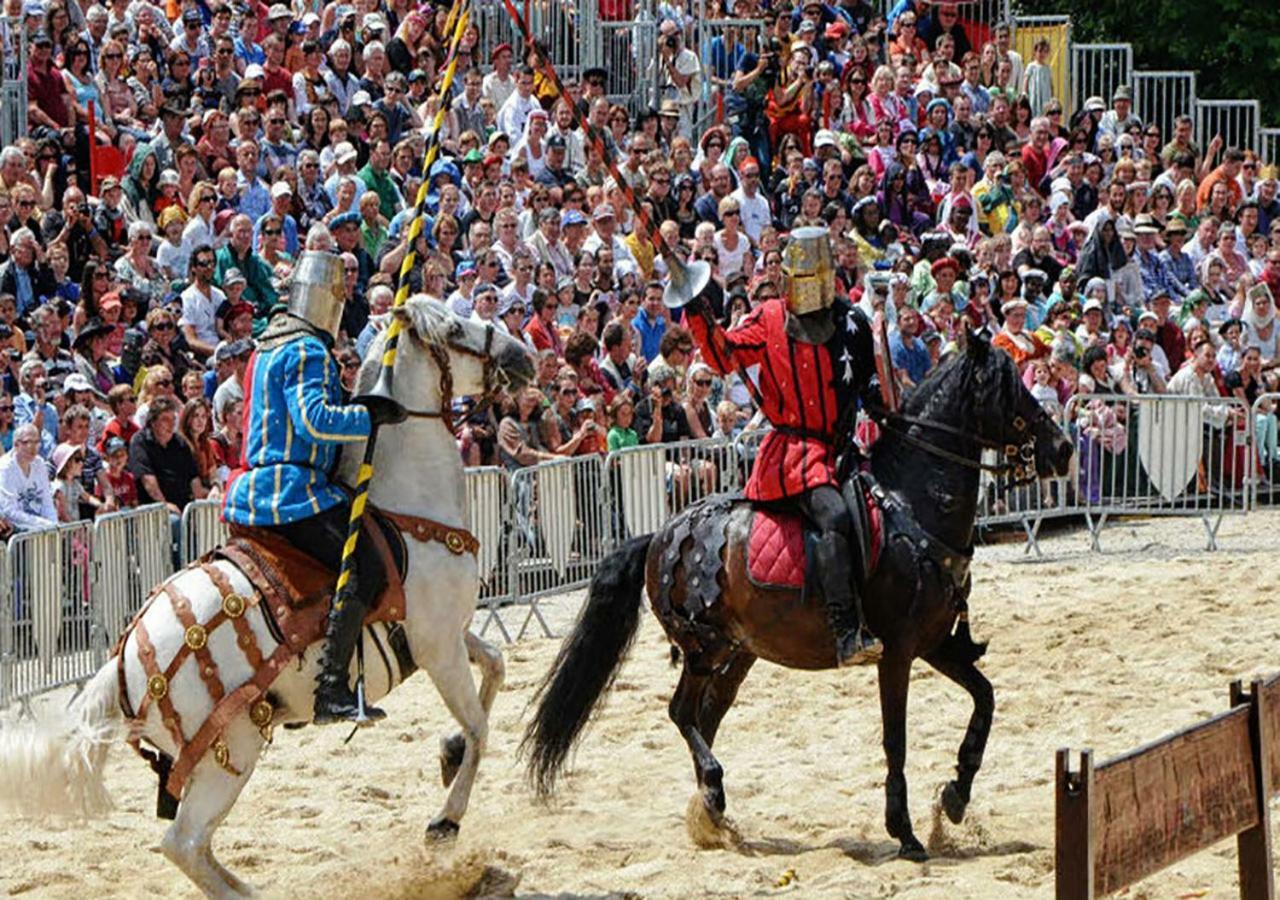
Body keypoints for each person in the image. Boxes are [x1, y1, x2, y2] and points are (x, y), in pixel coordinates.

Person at [678, 227, 883, 666]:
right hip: (794, 455)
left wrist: (888, 419)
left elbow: (868, 383)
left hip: (842, 450)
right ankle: (846, 632)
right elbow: (722, 356)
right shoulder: (769, 319)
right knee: (834, 516)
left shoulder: (850, 321)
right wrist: (699, 313)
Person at [223, 244, 407, 725]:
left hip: (251, 489)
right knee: (363, 565)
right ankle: (331, 690)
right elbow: (315, 423)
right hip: (291, 494)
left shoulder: (266, 347)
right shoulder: (307, 348)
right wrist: (367, 416)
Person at [0, 424, 57, 531]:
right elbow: (10, 511)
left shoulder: (39, 464)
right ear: (16, 444)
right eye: (27, 442)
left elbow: (47, 501)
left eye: (36, 442)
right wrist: (44, 524)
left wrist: (53, 525)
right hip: (17, 531)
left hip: (41, 528)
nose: (33, 447)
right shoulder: (5, 468)